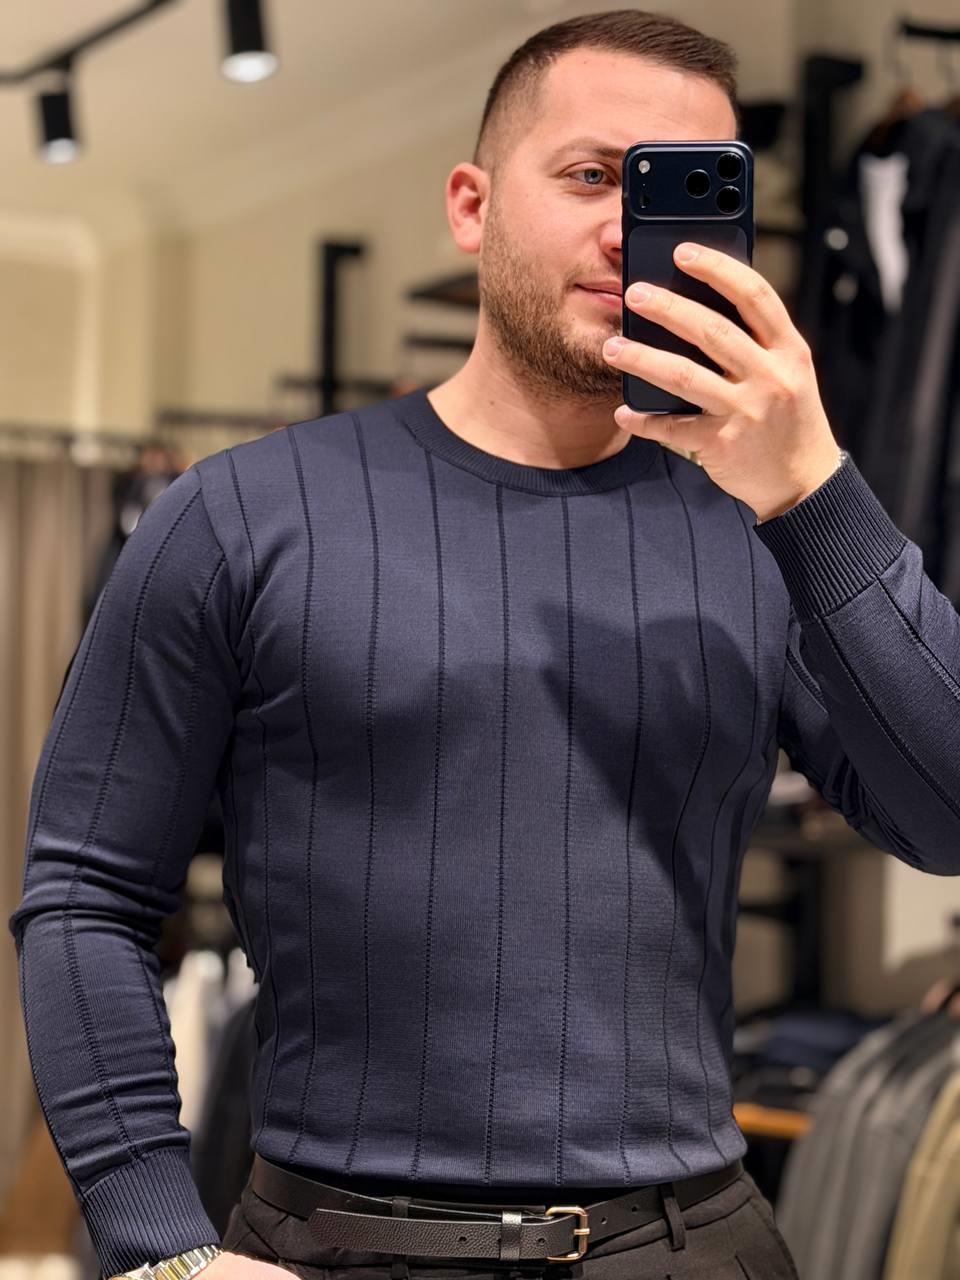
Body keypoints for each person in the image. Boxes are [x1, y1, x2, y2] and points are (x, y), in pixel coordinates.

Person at [9, 9, 960, 1280]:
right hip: (330, 1245)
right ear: (472, 205)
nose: (629, 227)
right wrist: (158, 1244)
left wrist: (815, 491)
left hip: (691, 1242)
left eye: (685, 188)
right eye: (590, 175)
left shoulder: (767, 528)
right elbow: (86, 892)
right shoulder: (238, 514)